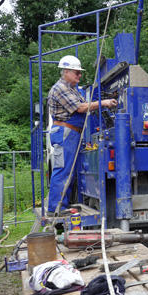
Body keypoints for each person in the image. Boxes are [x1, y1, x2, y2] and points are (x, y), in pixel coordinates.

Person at [46, 55, 118, 215]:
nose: (79, 75)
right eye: (76, 72)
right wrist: (104, 103)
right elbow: (80, 108)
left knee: (69, 171)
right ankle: (55, 209)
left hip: (71, 133)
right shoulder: (61, 88)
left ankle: (60, 206)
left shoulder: (71, 89)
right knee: (63, 170)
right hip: (66, 133)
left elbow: (84, 106)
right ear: (66, 72)